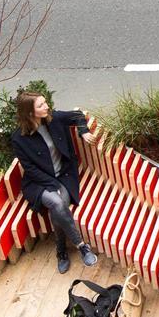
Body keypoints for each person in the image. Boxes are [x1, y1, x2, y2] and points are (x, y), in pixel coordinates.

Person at [11, 92, 100, 274]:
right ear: (30, 113)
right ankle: (81, 245)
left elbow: (78, 115)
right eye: (41, 105)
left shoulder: (55, 119)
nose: (46, 107)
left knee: (57, 207)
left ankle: (61, 250)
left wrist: (83, 132)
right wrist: (53, 186)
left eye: (45, 102)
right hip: (38, 182)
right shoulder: (19, 138)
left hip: (64, 175)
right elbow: (30, 169)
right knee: (57, 202)